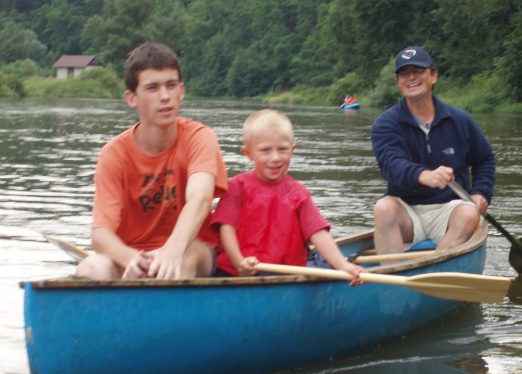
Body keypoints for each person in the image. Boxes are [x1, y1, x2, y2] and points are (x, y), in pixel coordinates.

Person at [75, 41, 228, 280]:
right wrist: (129, 258)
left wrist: (172, 250)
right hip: (136, 254)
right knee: (92, 268)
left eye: (171, 85)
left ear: (182, 90)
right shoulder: (114, 154)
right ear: (131, 98)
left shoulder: (200, 137)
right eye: (153, 88)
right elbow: (100, 235)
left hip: (191, 249)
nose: (165, 96)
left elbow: (200, 198)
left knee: (179, 263)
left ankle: (172, 313)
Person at [209, 109, 362, 281]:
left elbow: (317, 233)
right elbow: (226, 229)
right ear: (248, 153)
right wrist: (239, 262)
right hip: (235, 271)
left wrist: (342, 264)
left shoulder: (298, 194)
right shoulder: (236, 187)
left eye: (282, 149)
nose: (275, 158)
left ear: (292, 150)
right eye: (265, 150)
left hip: (284, 274)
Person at [371, 45, 495, 254]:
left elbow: (485, 160)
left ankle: (435, 268)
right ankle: (393, 276)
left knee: (469, 213)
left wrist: (481, 193)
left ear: (434, 76)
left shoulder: (461, 121)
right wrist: (424, 176)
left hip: (450, 210)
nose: (411, 78)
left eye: (418, 71)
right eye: (404, 73)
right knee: (383, 208)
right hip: (406, 210)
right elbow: (390, 165)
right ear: (398, 82)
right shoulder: (385, 124)